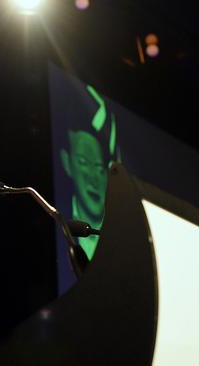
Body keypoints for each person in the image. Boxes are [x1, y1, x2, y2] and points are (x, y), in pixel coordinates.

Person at [59, 85, 120, 260]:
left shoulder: (122, 235)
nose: (93, 179)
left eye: (100, 168)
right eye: (83, 163)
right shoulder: (60, 223)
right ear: (66, 162)